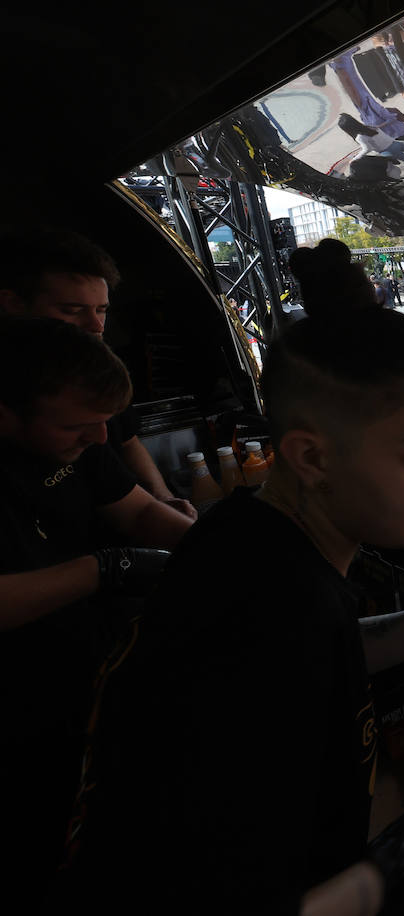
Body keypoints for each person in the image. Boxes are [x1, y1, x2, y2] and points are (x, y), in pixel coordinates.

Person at [67, 243, 404, 910]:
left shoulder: (247, 535)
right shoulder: (264, 615)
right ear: (312, 456)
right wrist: (374, 884)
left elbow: (341, 643)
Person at [0, 317, 193, 905]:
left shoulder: (84, 439)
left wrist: (214, 548)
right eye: (78, 428)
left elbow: (137, 512)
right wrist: (105, 569)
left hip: (94, 663)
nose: (102, 439)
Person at [0, 228, 196, 518]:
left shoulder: (97, 367)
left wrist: (161, 497)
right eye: (72, 310)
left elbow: (127, 441)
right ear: (13, 305)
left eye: (101, 310)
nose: (96, 326)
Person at [337, 113, 404, 173]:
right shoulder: (368, 126)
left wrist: (355, 159)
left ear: (348, 129)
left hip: (389, 150)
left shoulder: (359, 137)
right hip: (394, 143)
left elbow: (367, 149)